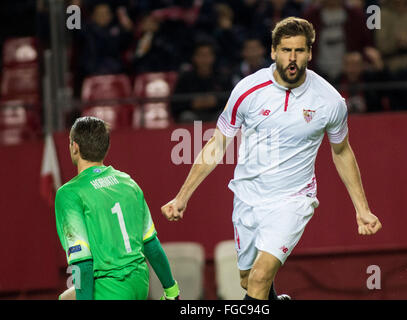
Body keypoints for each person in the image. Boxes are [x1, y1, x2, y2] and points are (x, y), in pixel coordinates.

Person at [161, 17, 382, 300]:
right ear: (273, 51)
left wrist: (362, 209)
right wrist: (182, 197)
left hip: (293, 199)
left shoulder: (330, 101)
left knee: (260, 277)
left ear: (310, 53)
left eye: (300, 51)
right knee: (247, 280)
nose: (292, 58)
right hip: (247, 196)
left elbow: (342, 151)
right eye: (286, 50)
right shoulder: (247, 90)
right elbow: (216, 144)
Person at [56, 116, 180, 300]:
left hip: (110, 288)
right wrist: (172, 292)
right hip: (140, 283)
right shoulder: (128, 183)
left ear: (75, 146)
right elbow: (151, 245)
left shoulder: (69, 193)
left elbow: (82, 264)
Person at [171, 40, 232, 123]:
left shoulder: (222, 76)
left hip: (214, 115)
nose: (204, 59)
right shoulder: (185, 78)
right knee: (186, 116)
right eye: (201, 55)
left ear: (213, 57)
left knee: (223, 115)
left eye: (207, 55)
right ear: (194, 58)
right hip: (193, 116)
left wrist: (216, 102)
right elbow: (175, 103)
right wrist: (192, 104)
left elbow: (232, 101)